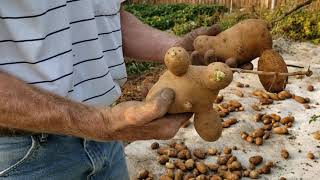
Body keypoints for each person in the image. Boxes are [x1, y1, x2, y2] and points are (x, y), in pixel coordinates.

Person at [0, 0, 220, 179]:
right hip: (25, 157)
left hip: (107, 143)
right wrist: (100, 123)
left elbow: (108, 20)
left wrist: (178, 48)